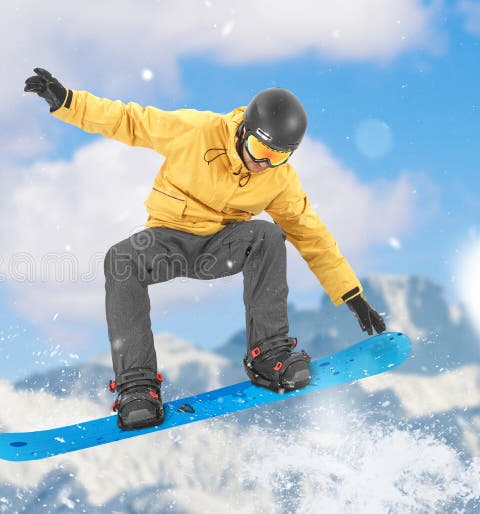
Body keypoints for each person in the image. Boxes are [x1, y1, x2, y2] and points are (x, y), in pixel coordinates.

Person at [24, 68, 386, 430]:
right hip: (167, 239)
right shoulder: (196, 131)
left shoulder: (278, 179)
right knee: (121, 258)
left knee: (267, 236)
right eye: (260, 149)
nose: (263, 163)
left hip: (221, 246)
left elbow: (311, 234)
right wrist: (69, 103)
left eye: (277, 157)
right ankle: (138, 388)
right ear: (245, 130)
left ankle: (269, 355)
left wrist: (350, 293)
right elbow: (130, 121)